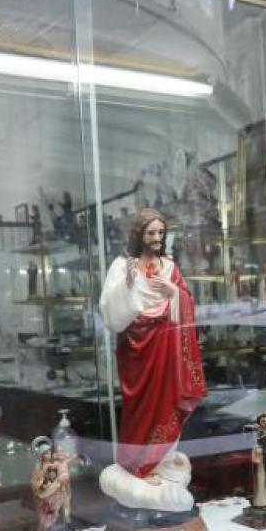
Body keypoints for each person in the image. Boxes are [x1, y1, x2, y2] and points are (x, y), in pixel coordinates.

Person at [99, 208, 207, 512]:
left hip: (166, 349)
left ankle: (161, 462)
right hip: (137, 350)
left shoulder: (169, 267)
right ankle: (139, 464)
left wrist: (174, 292)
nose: (157, 238)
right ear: (139, 235)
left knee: (167, 401)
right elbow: (110, 310)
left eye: (161, 232)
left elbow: (187, 303)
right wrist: (129, 284)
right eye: (151, 233)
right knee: (141, 407)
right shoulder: (122, 266)